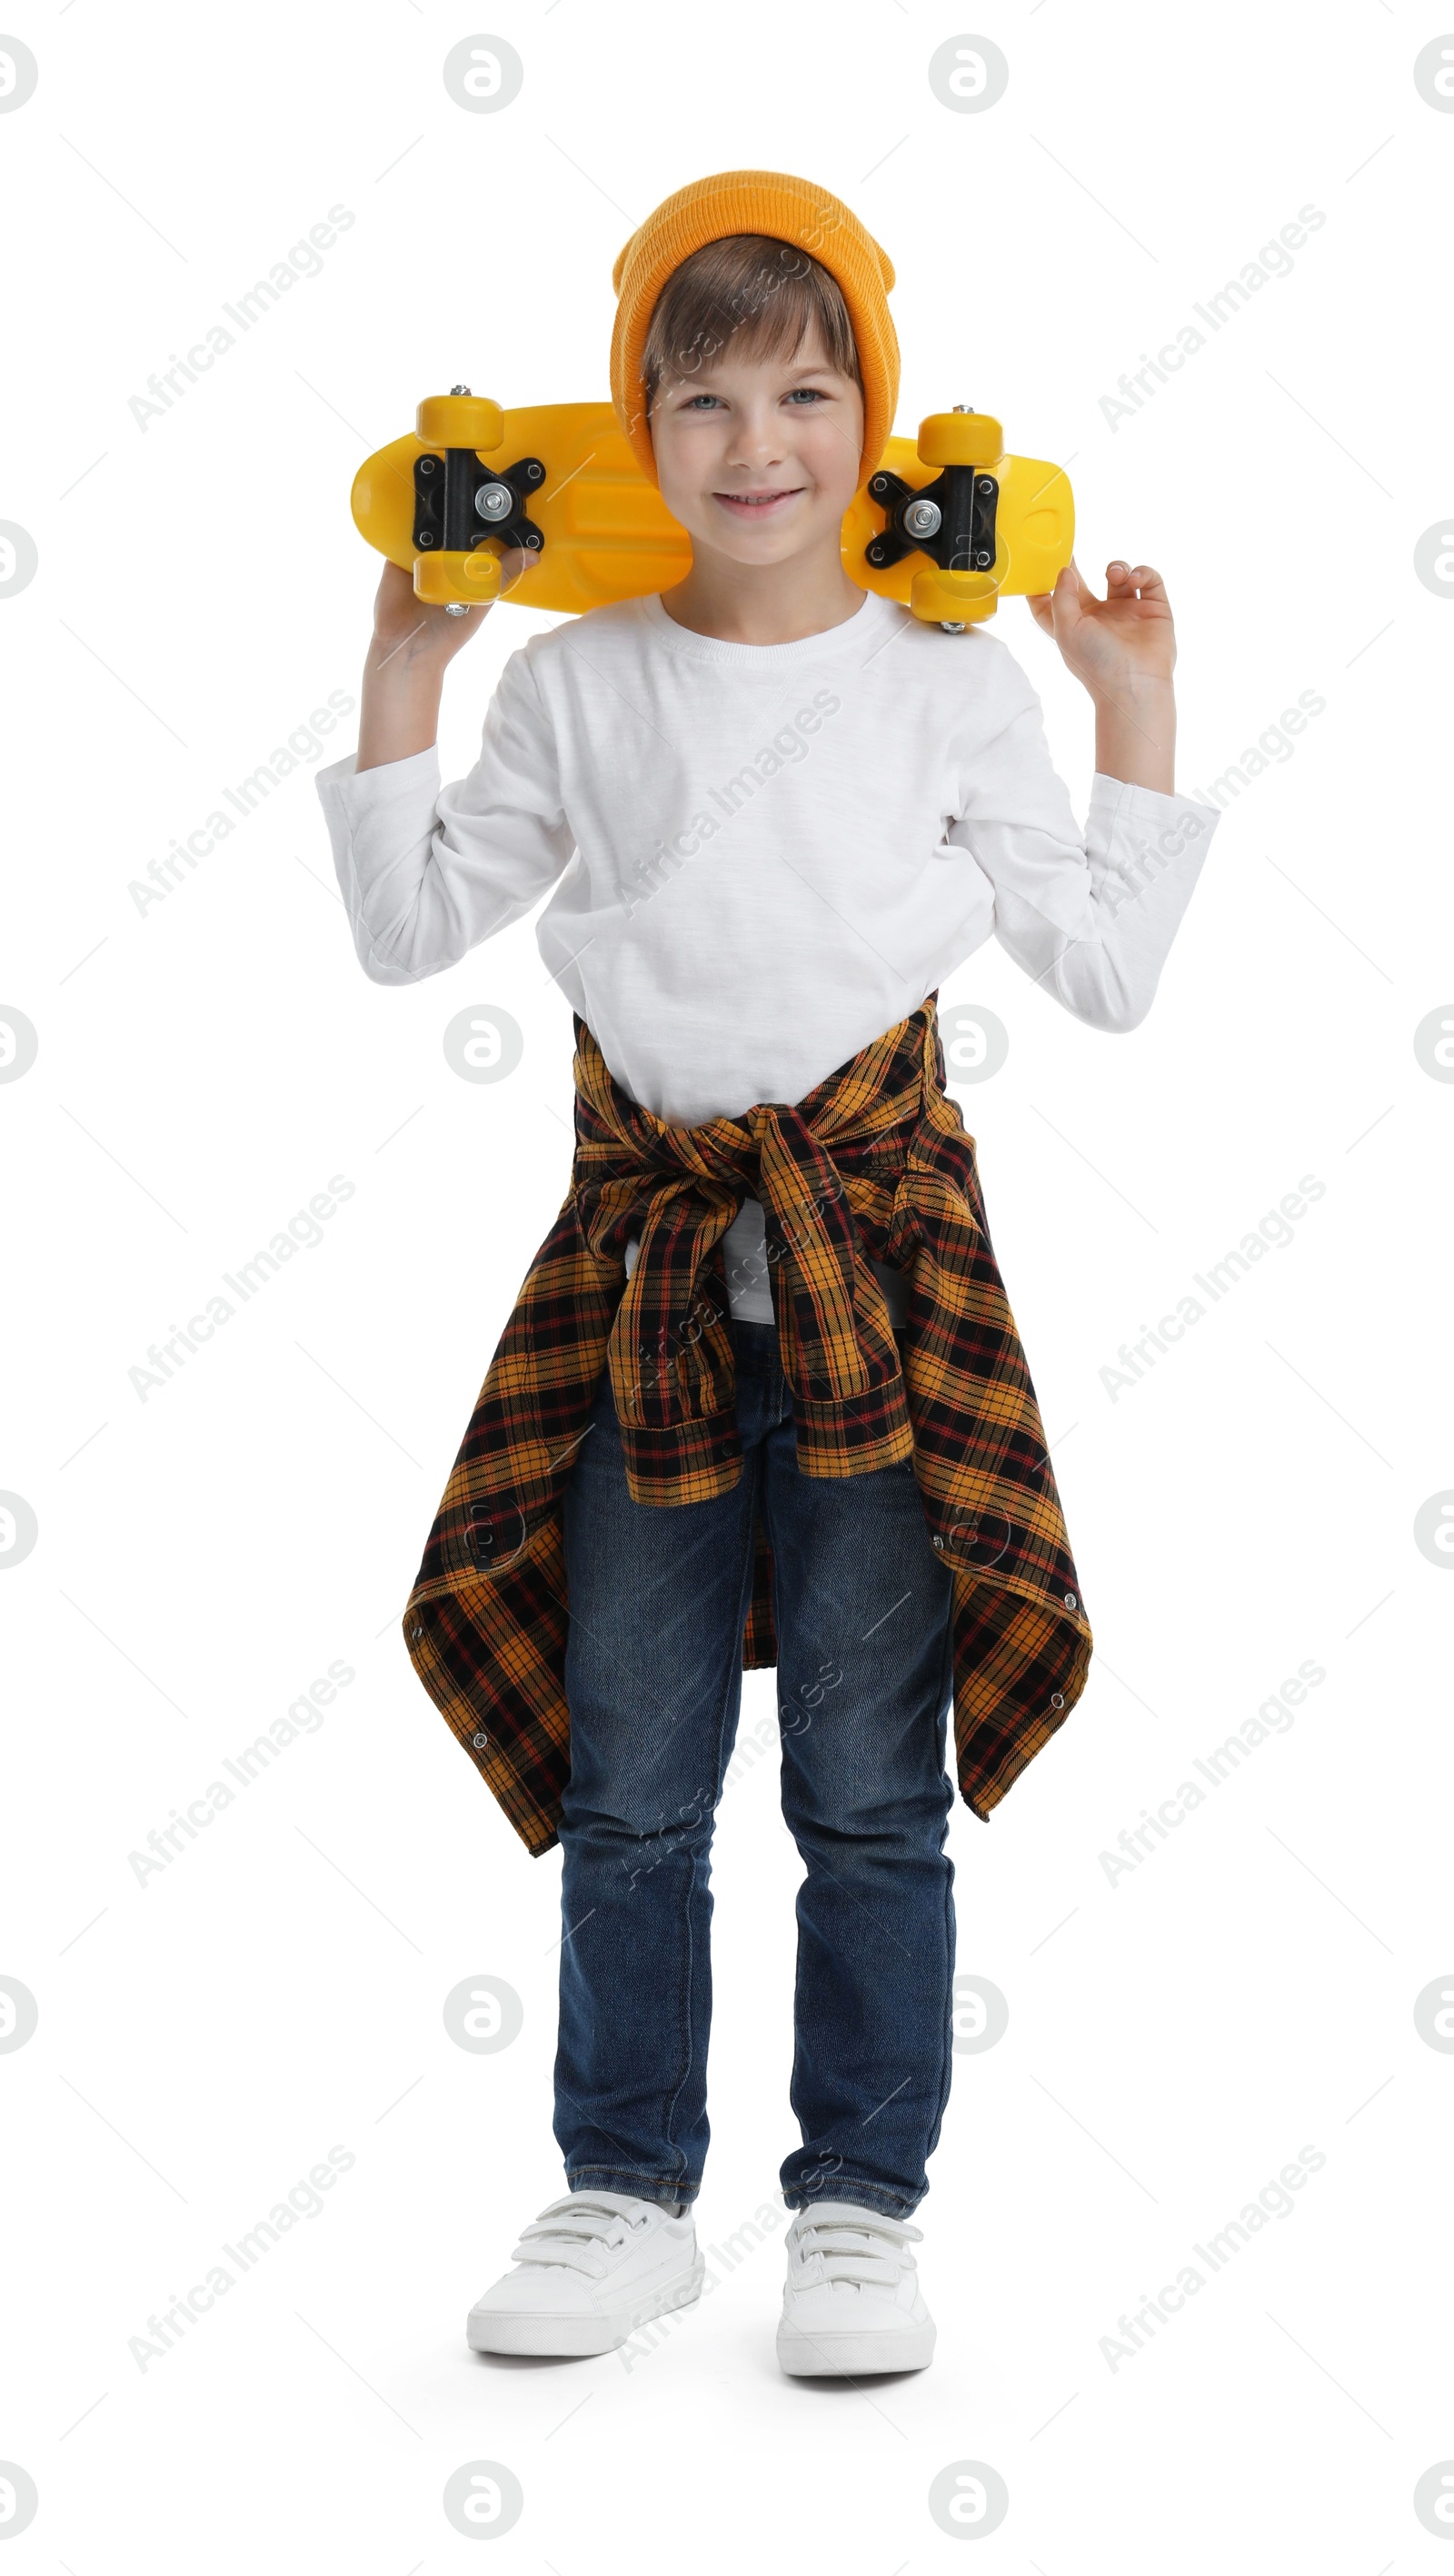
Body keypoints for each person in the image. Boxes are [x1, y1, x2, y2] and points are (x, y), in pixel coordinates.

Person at [315, 168, 1218, 2378]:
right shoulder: (575, 681)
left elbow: (1098, 967)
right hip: (637, 1287)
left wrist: (1126, 706)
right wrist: (404, 674)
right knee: (629, 1777)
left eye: (803, 391)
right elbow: (405, 929)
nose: (753, 443)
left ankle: (856, 2206)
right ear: (631, 425)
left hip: (882, 1299)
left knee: (861, 1785)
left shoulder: (942, 682)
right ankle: (621, 2187)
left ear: (870, 417)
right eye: (698, 394)